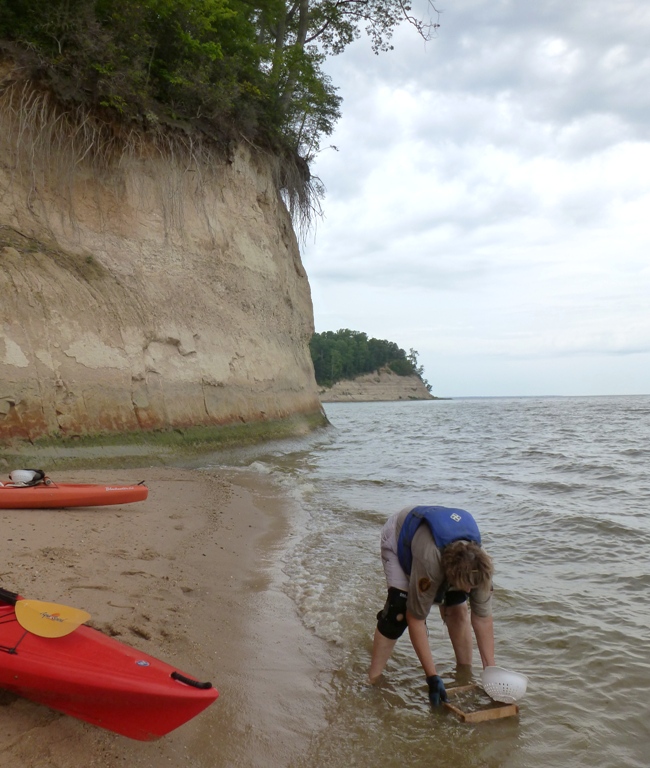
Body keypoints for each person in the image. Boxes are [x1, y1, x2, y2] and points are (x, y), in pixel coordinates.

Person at [368, 504, 496, 706]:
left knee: (457, 607)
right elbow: (415, 619)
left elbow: (482, 620)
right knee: (399, 610)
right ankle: (372, 680)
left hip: (441, 546)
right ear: (450, 575)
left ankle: (464, 672)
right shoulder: (431, 563)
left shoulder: (481, 568)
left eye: (474, 586)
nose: (472, 591)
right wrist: (432, 677)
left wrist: (491, 673)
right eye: (468, 586)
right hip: (399, 537)